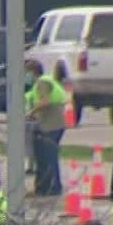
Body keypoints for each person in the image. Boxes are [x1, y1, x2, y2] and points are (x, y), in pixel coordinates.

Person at [24, 59, 70, 196]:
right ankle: (43, 187)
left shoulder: (42, 83)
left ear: (32, 72)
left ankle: (51, 188)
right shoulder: (47, 80)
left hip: (50, 125)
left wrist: (30, 113)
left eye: (26, 72)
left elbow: (44, 102)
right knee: (46, 157)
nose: (25, 76)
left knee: (47, 158)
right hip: (52, 124)